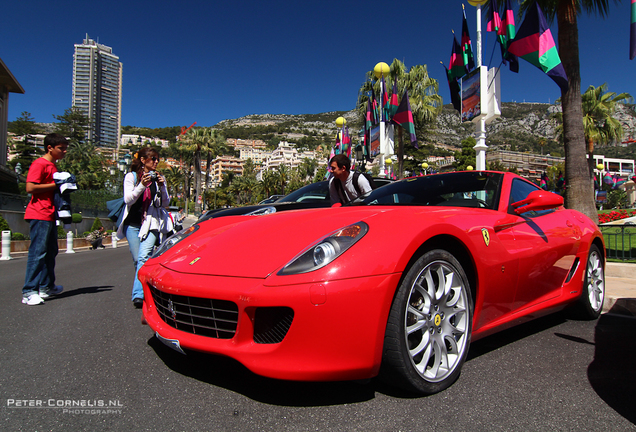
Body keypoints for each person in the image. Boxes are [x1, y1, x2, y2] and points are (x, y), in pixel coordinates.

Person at [115, 147, 171, 308]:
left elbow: (165, 203)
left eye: (157, 159)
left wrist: (162, 187)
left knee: (144, 256)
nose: (156, 162)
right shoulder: (131, 177)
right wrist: (141, 185)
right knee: (137, 260)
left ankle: (139, 295)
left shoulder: (160, 178)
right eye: (153, 158)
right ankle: (146, 287)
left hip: (151, 222)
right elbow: (128, 200)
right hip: (133, 224)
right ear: (142, 160)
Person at [21, 133, 68, 305]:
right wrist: (58, 184)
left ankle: (46, 286)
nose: (64, 152)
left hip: (50, 213)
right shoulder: (40, 164)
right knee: (38, 253)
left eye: (65, 148)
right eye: (61, 148)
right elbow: (30, 187)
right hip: (39, 213)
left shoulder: (53, 166)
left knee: (51, 251)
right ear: (50, 148)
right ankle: (29, 291)